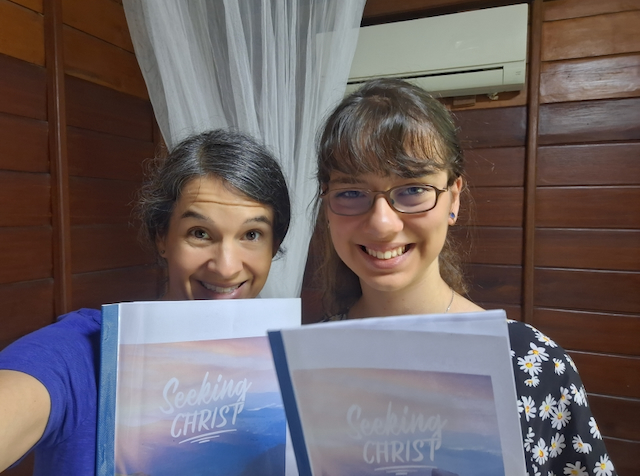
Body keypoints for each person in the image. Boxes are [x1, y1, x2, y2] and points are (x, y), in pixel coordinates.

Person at [315, 78, 616, 476]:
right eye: (352, 192)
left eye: (413, 189)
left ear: (453, 198)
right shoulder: (308, 357)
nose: (382, 224)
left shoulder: (530, 362)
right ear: (328, 205)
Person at [0, 129, 291, 475]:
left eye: (252, 235)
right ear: (161, 237)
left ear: (273, 247)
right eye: (200, 233)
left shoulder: (296, 366)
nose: (226, 267)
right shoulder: (82, 354)